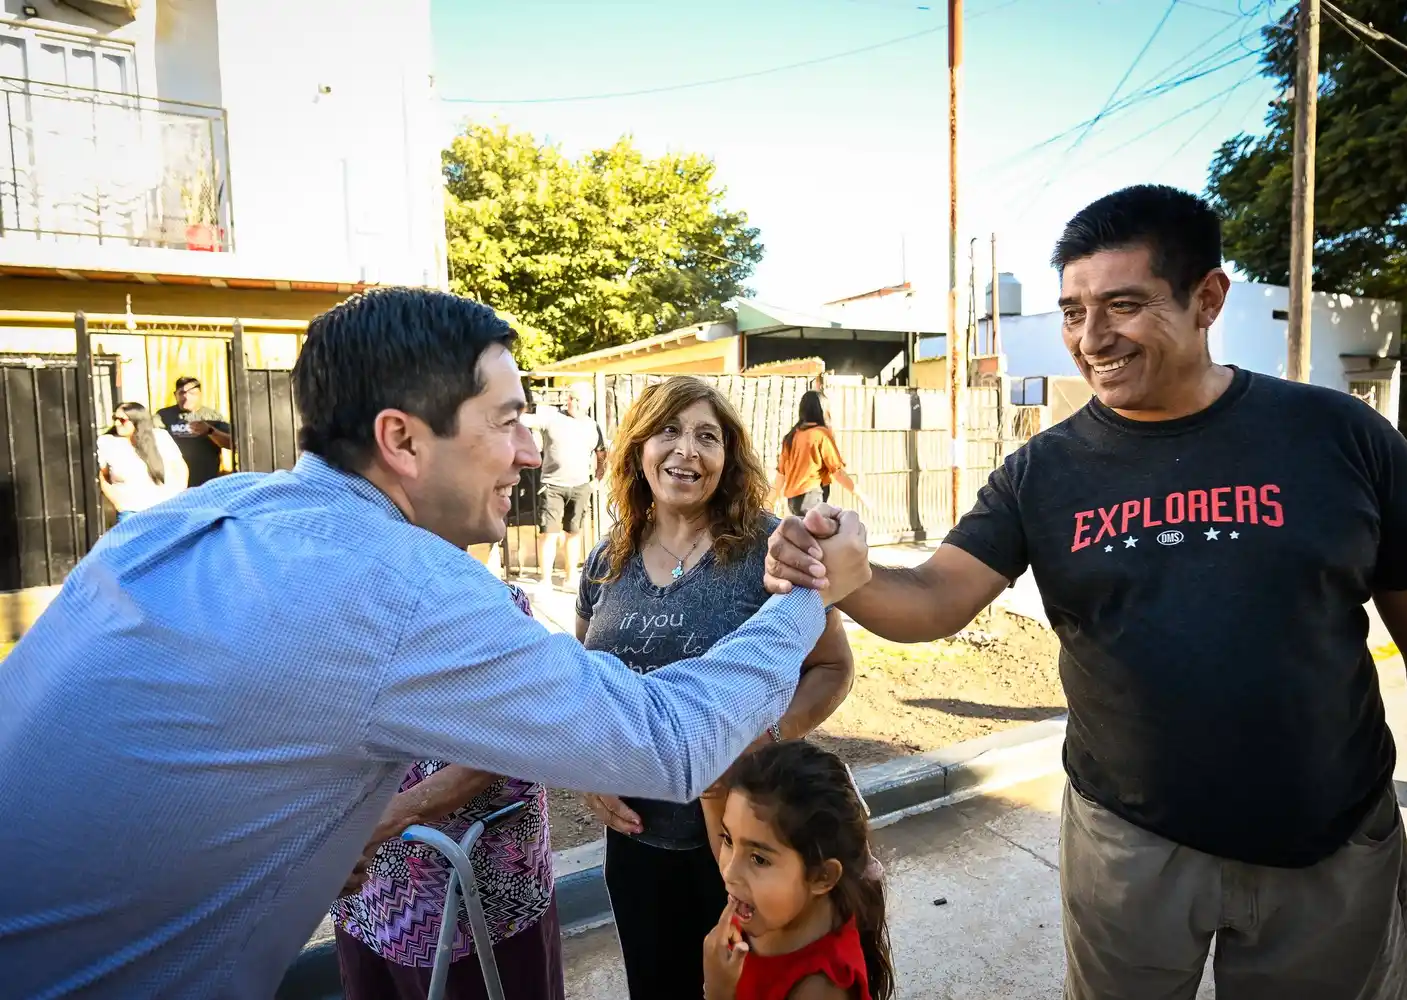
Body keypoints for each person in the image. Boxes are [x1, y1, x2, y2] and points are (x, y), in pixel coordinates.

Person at [0, 287, 872, 999]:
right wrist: (812, 589)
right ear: (403, 440)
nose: (529, 452)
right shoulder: (404, 586)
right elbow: (666, 741)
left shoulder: (185, 519)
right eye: (507, 420)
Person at [765, 185, 1407, 997]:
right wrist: (848, 576)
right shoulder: (1043, 471)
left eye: (1124, 304)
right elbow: (937, 596)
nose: (1092, 338)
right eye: (1073, 311)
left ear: (1207, 299)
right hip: (1127, 845)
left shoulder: (1341, 436)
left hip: (1330, 848)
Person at [575, 375, 855, 1000]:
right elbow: (587, 690)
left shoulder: (768, 551)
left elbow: (833, 667)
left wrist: (767, 736)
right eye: (668, 432)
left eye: (707, 437)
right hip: (637, 844)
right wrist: (587, 767)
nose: (686, 451)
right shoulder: (606, 559)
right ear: (639, 448)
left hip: (748, 845)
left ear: (727, 458)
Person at [330, 580, 563, 1000]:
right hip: (365, 894)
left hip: (479, 893)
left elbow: (508, 744)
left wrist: (386, 817)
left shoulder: (490, 608)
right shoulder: (333, 616)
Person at [702, 740, 893, 1000]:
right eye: (728, 840)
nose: (729, 873)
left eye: (759, 859)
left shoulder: (820, 989)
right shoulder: (771, 909)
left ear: (821, 876)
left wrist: (717, 993)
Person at [525, 382, 607, 590]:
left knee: (574, 533)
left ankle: (570, 578)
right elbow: (525, 419)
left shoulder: (592, 426)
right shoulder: (551, 418)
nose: (573, 402)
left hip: (580, 487)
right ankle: (545, 581)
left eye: (578, 399)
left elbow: (601, 454)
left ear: (587, 403)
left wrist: (597, 480)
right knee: (549, 533)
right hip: (552, 486)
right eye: (571, 398)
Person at [773, 391, 869, 516]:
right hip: (811, 497)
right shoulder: (821, 434)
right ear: (822, 410)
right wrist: (861, 496)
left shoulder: (791, 436)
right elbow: (837, 472)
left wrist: (768, 503)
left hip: (793, 501)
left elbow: (780, 475)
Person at [98, 401, 189, 523]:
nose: (117, 423)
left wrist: (180, 494)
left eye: (122, 420)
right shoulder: (107, 442)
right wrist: (117, 503)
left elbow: (179, 467)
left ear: (137, 420)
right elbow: (102, 476)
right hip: (130, 511)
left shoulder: (160, 437)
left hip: (166, 508)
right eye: (115, 418)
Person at [156, 374, 234, 486]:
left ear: (200, 395)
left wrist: (210, 431)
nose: (186, 397)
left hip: (205, 483)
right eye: (182, 393)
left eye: (192, 393)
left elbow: (233, 444)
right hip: (174, 482)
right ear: (175, 395)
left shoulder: (212, 416)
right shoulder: (163, 416)